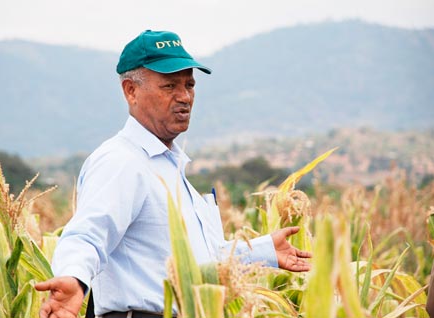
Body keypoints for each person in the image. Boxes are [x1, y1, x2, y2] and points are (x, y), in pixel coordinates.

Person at [35, 30, 312, 318]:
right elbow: (87, 235)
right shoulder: (121, 161)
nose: (184, 97)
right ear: (131, 91)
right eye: (169, 86)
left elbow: (196, 264)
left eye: (189, 85)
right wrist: (73, 278)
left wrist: (264, 250)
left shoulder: (169, 168)